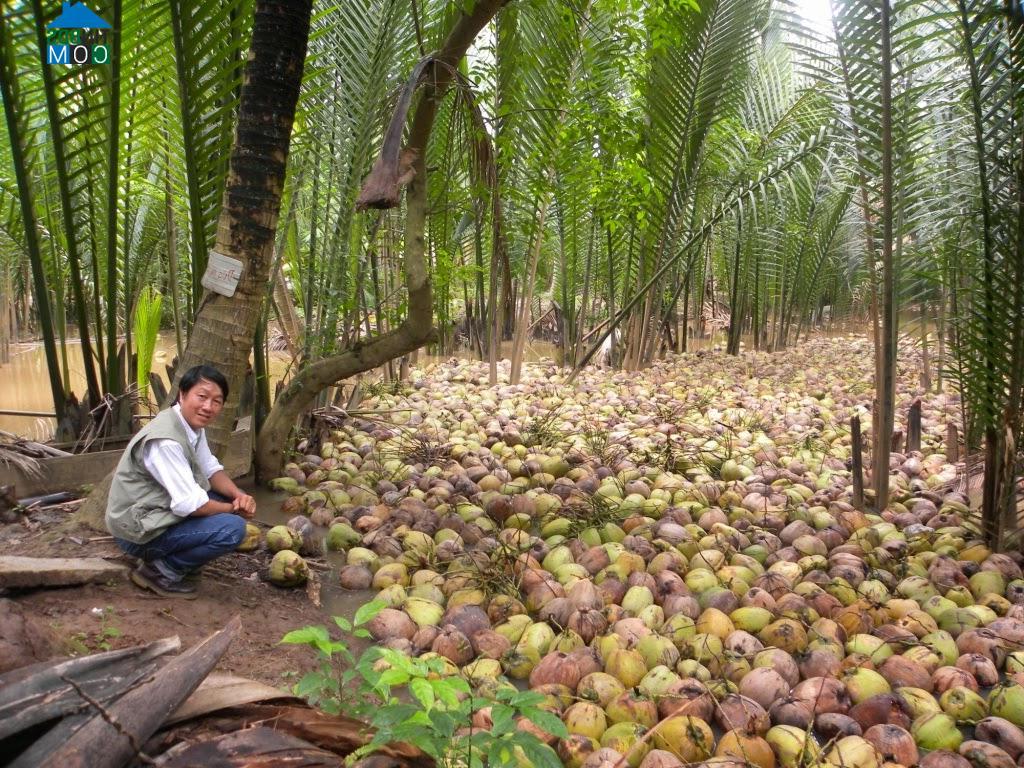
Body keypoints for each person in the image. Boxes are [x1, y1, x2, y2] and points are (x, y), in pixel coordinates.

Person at [106, 365, 256, 598]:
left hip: (152, 513)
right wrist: (234, 510)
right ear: (182, 395)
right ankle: (161, 572)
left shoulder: (191, 426)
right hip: (136, 531)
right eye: (202, 397)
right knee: (232, 529)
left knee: (224, 496)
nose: (208, 407)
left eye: (216, 401)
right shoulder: (166, 442)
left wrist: (239, 496)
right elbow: (191, 505)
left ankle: (177, 561)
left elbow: (210, 470)